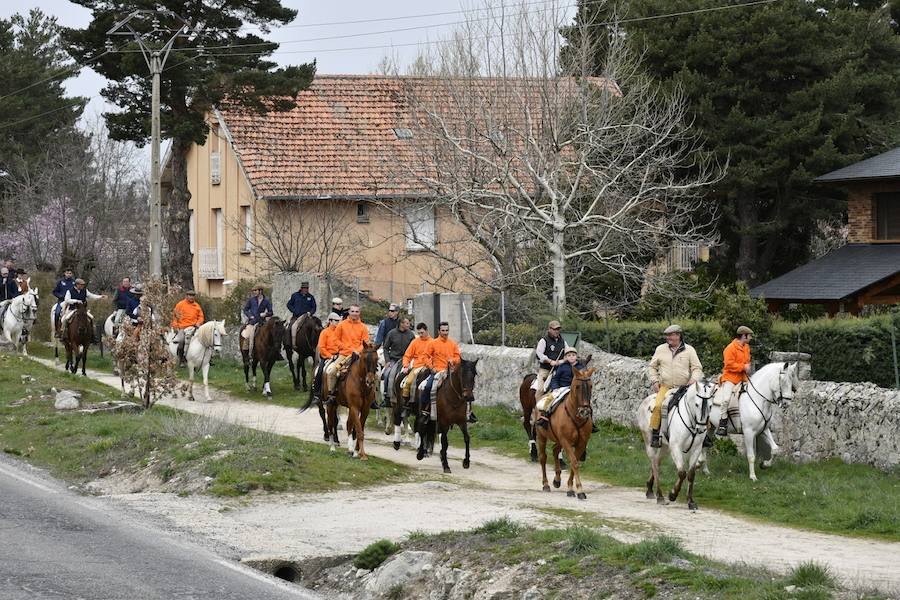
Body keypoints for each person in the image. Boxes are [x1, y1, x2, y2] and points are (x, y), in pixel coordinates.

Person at [647, 324, 703, 448]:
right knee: (657, 406)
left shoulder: (690, 350)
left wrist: (694, 379)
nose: (668, 338)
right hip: (666, 387)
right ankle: (656, 435)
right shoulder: (660, 349)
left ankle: (705, 437)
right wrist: (654, 381)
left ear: (678, 335)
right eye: (667, 335)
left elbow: (697, 368)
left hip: (685, 387)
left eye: (670, 335)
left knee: (701, 405)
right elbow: (652, 367)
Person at [419, 321, 468, 423]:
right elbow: (425, 356)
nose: (445, 333)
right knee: (428, 387)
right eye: (443, 331)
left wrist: (453, 360)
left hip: (451, 372)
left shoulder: (453, 343)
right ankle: (425, 411)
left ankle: (468, 413)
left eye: (447, 330)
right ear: (438, 331)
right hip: (437, 371)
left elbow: (458, 357)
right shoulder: (433, 343)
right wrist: (431, 367)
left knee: (466, 387)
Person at [324, 304, 370, 405]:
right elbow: (335, 339)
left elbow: (366, 342)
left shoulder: (363, 327)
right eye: (352, 311)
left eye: (356, 311)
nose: (354, 313)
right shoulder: (342, 324)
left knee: (373, 373)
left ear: (359, 313)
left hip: (359, 356)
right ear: (349, 312)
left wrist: (358, 351)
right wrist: (348, 349)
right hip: (344, 355)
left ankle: (372, 398)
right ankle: (331, 394)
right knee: (331, 372)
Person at [534, 346, 584, 428]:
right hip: (562, 388)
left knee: (585, 402)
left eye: (573, 355)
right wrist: (555, 388)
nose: (571, 357)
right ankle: (544, 417)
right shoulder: (562, 367)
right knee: (550, 399)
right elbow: (555, 379)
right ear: (566, 357)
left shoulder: (581, 367)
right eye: (569, 355)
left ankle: (590, 422)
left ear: (576, 356)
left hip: (576, 389)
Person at [717, 326, 754, 436]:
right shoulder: (730, 348)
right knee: (726, 400)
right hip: (730, 378)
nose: (751, 338)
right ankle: (722, 423)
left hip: (743, 378)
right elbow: (729, 365)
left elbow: (747, 362)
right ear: (744, 335)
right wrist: (744, 367)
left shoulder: (746, 347)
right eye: (749, 335)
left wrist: (747, 367)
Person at [381, 316, 414, 407]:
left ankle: (410, 399)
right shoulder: (391, 333)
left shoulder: (411, 334)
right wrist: (387, 360)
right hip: (394, 359)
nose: (408, 325)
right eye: (407, 323)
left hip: (407, 360)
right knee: (387, 374)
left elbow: (414, 348)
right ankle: (387, 397)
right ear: (401, 324)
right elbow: (386, 348)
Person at [399, 322, 431, 406]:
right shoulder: (415, 342)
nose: (420, 335)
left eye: (422, 333)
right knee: (408, 382)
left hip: (429, 366)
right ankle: (407, 403)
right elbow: (407, 355)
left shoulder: (433, 342)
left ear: (427, 331)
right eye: (419, 333)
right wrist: (406, 366)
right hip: (417, 366)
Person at [313, 312, 342, 402]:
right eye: (336, 321)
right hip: (327, 356)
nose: (338, 322)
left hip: (340, 355)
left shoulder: (341, 331)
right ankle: (317, 393)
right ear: (330, 321)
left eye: (339, 321)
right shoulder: (324, 332)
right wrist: (330, 356)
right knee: (320, 371)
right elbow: (321, 347)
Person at [171, 290, 205, 363]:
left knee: (204, 339)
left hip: (194, 327)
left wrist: (199, 322)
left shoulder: (197, 306)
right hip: (182, 327)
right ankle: (181, 359)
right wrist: (175, 326)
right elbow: (174, 317)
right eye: (190, 296)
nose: (191, 297)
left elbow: (201, 316)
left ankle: (205, 358)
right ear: (186, 296)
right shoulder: (180, 305)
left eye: (193, 296)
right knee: (181, 340)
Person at [241, 285, 273, 358]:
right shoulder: (251, 300)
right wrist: (250, 316)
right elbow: (245, 309)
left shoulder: (266, 301)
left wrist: (265, 314)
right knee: (246, 335)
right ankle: (247, 354)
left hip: (262, 322)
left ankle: (275, 353)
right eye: (254, 291)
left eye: (256, 290)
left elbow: (271, 312)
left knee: (272, 334)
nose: (254, 292)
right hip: (252, 322)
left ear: (260, 291)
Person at [534, 320, 566, 395]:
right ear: (549, 329)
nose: (557, 331)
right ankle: (537, 406)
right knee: (540, 390)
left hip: (559, 370)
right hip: (546, 370)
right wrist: (550, 361)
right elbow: (539, 354)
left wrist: (562, 361)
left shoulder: (563, 341)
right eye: (554, 329)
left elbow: (567, 353)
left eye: (558, 329)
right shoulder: (544, 340)